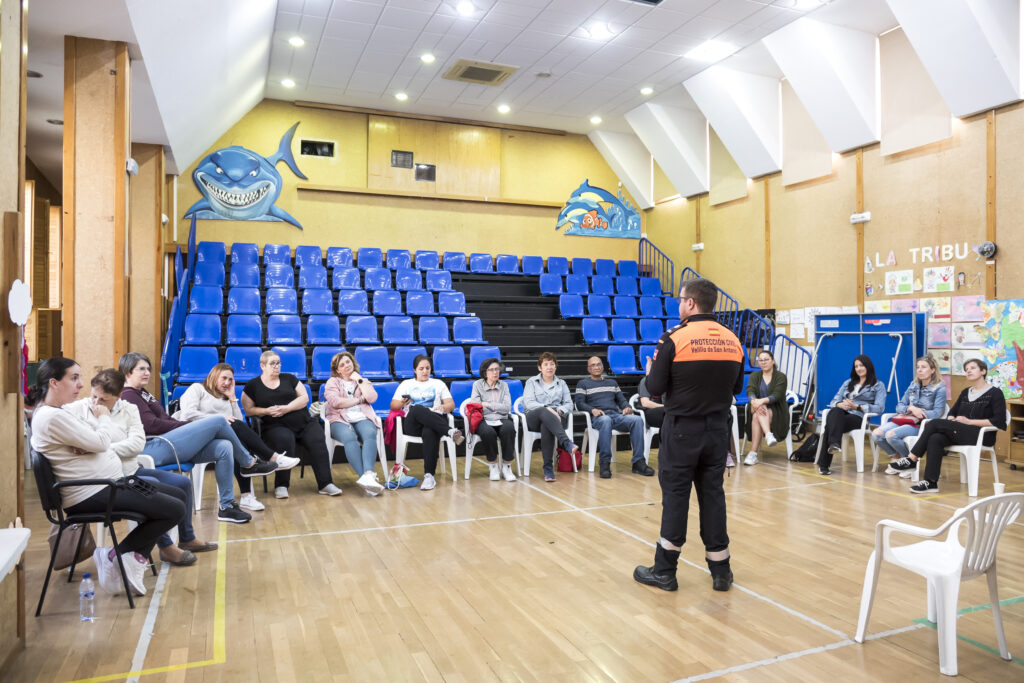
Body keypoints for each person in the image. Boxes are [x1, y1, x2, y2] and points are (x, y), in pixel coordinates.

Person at [29, 358, 184, 596]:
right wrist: (102, 419)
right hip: (93, 492)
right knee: (175, 509)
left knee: (176, 496)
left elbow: (97, 442)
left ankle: (131, 558)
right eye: (74, 378)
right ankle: (116, 555)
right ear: (54, 383)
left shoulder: (55, 413)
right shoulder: (52, 417)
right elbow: (101, 441)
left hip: (107, 485)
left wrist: (94, 441)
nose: (80, 384)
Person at [633, 277, 744, 593]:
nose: (679, 304)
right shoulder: (732, 340)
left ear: (691, 303)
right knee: (713, 496)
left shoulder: (674, 339)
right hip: (717, 431)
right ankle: (721, 571)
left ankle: (665, 571)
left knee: (676, 497)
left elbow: (654, 389)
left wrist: (653, 368)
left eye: (681, 300)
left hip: (682, 430)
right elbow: (736, 389)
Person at [65, 369, 218, 567]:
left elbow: (137, 445)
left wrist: (99, 447)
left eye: (103, 399)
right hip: (107, 476)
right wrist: (100, 446)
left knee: (182, 484)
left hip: (132, 469)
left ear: (118, 396)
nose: (96, 403)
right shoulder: (77, 410)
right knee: (152, 487)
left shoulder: (129, 409)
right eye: (94, 396)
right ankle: (166, 547)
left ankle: (187, 538)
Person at [119, 352, 274, 523]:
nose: (147, 372)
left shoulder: (142, 393)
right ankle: (248, 463)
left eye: (148, 368)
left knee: (224, 447)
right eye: (142, 369)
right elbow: (152, 425)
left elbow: (165, 419)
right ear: (127, 372)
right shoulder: (129, 394)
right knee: (218, 420)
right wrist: (187, 426)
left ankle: (227, 506)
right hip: (153, 447)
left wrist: (184, 425)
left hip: (168, 443)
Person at [175, 363, 300, 511]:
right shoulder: (197, 389)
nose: (227, 383)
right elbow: (187, 414)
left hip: (218, 440)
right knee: (232, 431)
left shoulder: (226, 397)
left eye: (230, 380)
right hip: (194, 438)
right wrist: (219, 418)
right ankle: (272, 457)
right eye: (224, 378)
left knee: (233, 441)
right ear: (214, 375)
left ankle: (247, 496)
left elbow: (239, 422)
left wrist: (232, 398)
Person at [889, 358, 1006, 493]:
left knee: (935, 423)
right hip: (961, 432)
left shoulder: (995, 393)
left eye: (972, 368)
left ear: (983, 371)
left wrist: (969, 422)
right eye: (966, 369)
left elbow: (998, 421)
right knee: (935, 438)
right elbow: (952, 413)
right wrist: (952, 422)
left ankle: (912, 459)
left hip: (982, 434)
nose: (968, 371)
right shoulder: (965, 392)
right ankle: (930, 482)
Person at [241, 350, 342, 498]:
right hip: (274, 425)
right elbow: (248, 410)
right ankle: (281, 485)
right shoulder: (253, 385)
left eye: (278, 363)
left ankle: (325, 483)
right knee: (284, 439)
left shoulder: (289, 378)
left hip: (302, 422)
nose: (277, 366)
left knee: (317, 438)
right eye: (272, 363)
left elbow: (304, 398)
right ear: (262, 365)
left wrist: (286, 408)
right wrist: (266, 411)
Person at [390, 354, 465, 491]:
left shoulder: (438, 383)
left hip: (434, 423)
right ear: (415, 370)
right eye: (421, 368)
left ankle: (429, 476)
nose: (425, 371)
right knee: (417, 408)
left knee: (430, 431)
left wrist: (444, 407)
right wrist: (402, 402)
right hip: (413, 424)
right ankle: (449, 431)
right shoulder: (406, 384)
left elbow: (451, 404)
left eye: (427, 368)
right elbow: (393, 405)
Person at [574, 355, 652, 478]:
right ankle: (605, 463)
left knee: (637, 420)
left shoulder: (612, 382)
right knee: (605, 420)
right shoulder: (583, 383)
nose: (596, 367)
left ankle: (638, 462)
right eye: (593, 365)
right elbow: (579, 403)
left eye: (599, 364)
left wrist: (627, 407)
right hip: (599, 417)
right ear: (588, 369)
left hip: (615, 415)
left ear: (603, 366)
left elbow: (621, 400)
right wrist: (592, 409)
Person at [324, 351, 384, 496]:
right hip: (339, 418)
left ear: (353, 363)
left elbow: (372, 397)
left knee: (370, 433)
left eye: (348, 362)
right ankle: (365, 478)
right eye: (342, 365)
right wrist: (359, 400)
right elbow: (336, 402)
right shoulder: (333, 382)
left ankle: (368, 475)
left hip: (362, 416)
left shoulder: (362, 380)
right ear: (337, 370)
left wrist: (359, 380)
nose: (346, 366)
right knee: (349, 437)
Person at [873, 355, 947, 472]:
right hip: (905, 419)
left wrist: (921, 413)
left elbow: (938, 413)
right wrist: (911, 408)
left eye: (923, 367)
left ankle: (909, 463)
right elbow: (899, 406)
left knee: (891, 435)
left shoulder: (939, 388)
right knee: (876, 434)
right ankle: (897, 458)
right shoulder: (913, 385)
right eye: (918, 367)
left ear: (932, 370)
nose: (920, 370)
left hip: (922, 425)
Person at [818, 355, 887, 476]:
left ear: (868, 366)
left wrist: (857, 407)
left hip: (858, 417)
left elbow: (880, 408)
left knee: (830, 426)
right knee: (835, 411)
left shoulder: (878, 385)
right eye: (856, 366)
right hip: (841, 414)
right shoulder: (848, 383)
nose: (859, 368)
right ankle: (834, 444)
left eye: (861, 365)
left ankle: (824, 463)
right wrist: (840, 404)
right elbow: (834, 401)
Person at [522, 352, 581, 482]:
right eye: (546, 364)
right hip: (534, 417)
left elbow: (569, 404)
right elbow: (529, 403)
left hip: (556, 418)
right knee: (544, 412)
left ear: (556, 367)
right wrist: (547, 408)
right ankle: (566, 443)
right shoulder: (531, 382)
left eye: (552, 364)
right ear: (540, 368)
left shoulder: (562, 383)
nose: (549, 367)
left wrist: (558, 411)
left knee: (547, 424)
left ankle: (548, 469)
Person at [469, 357, 517, 482]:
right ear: (485, 372)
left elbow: (506, 408)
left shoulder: (504, 385)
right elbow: (476, 406)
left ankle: (507, 466)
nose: (495, 372)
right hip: (484, 419)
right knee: (487, 432)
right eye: (491, 370)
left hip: (502, 418)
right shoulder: (477, 385)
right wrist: (494, 407)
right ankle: (493, 465)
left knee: (509, 429)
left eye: (497, 369)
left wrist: (488, 404)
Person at [743, 350, 789, 466]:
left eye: (766, 359)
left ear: (772, 361)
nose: (763, 362)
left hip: (777, 411)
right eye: (761, 360)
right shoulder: (755, 375)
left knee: (756, 417)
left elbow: (777, 395)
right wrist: (754, 402)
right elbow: (750, 390)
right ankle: (768, 435)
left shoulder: (781, 377)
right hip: (756, 408)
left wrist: (760, 401)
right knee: (759, 411)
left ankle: (753, 453)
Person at [637, 357, 664, 430]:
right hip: (650, 413)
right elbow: (645, 403)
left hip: (665, 411)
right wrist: (665, 406)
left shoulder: (666, 381)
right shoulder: (645, 381)